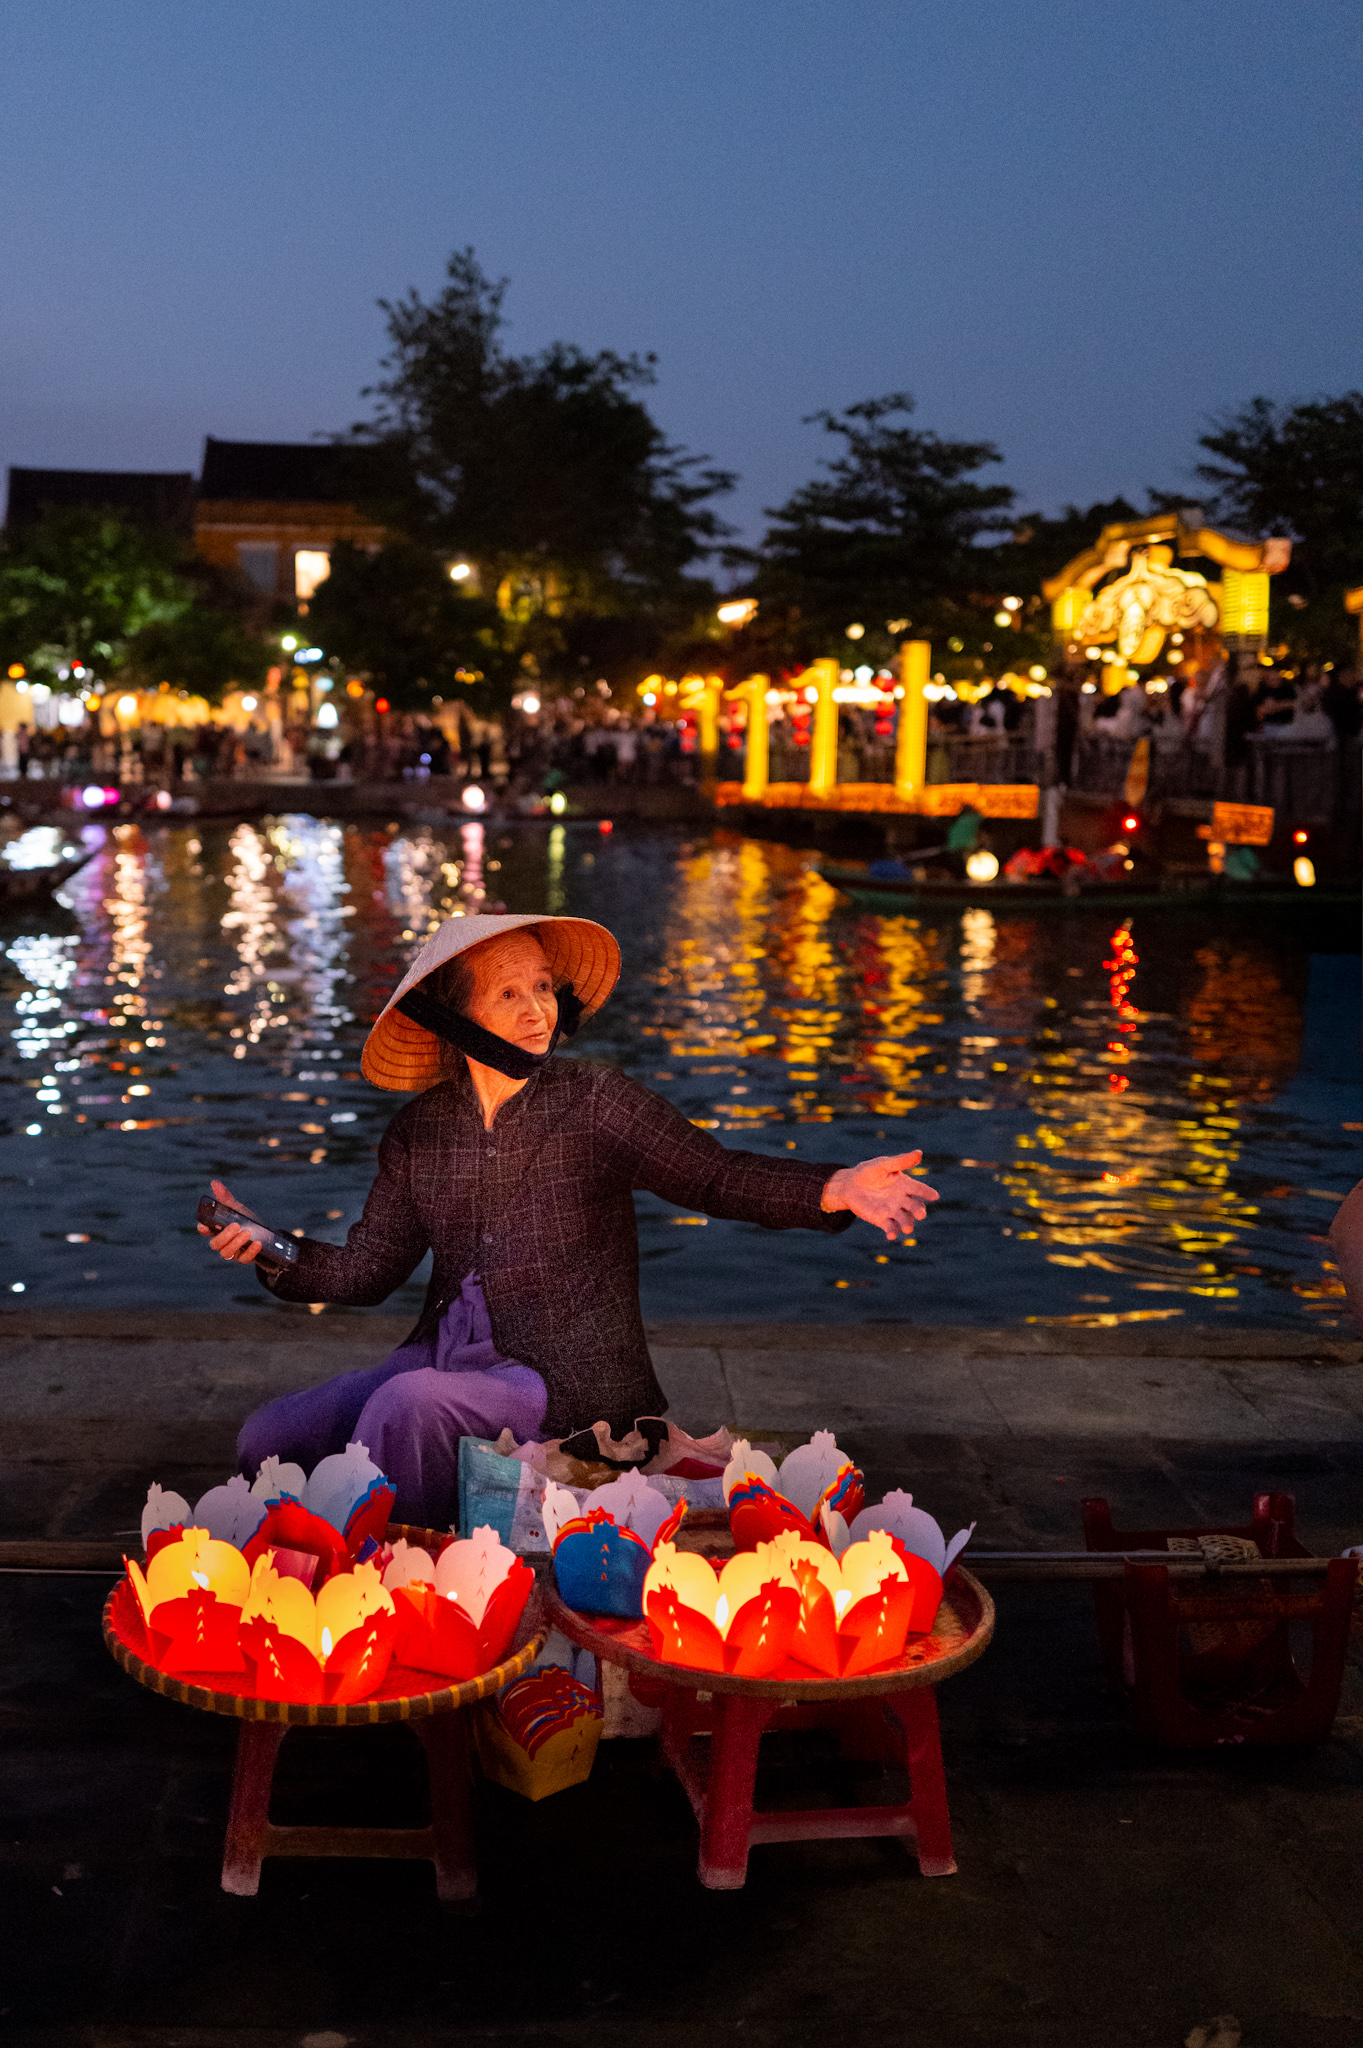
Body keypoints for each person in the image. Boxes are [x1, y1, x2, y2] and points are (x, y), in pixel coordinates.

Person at [204, 914, 938, 1525]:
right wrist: (268, 1247)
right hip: (447, 1353)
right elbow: (367, 1270)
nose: (537, 1012)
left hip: (563, 1375)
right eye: (508, 994)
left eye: (543, 987)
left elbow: (713, 1175)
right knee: (269, 1436)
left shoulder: (596, 1102)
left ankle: (416, 1578)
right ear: (456, 1018)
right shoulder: (420, 1131)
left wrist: (837, 1187)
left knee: (405, 1408)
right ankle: (310, 1558)